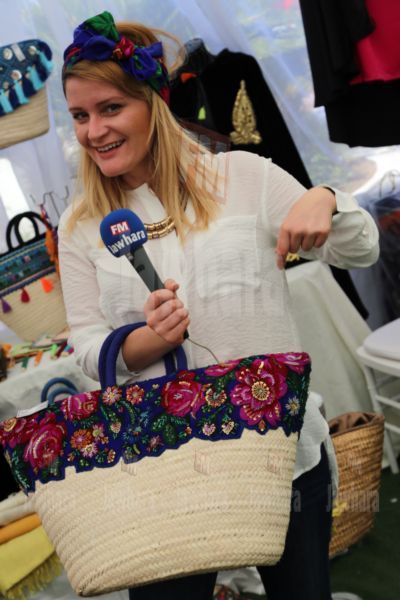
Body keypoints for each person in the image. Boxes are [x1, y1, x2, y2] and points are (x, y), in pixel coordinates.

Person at [58, 11, 379, 600]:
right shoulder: (79, 226)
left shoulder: (244, 178)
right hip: (165, 471)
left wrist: (327, 198)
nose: (94, 131)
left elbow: (361, 250)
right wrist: (146, 341)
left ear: (152, 103)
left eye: (110, 108)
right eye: (81, 115)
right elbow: (83, 343)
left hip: (279, 455)